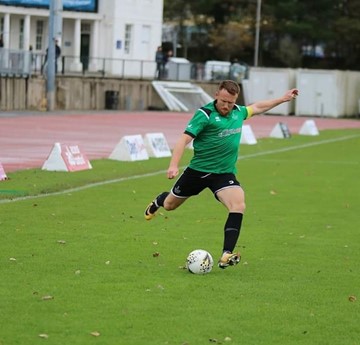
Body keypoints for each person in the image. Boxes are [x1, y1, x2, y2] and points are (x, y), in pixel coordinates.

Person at [144, 80, 299, 269]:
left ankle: (226, 254)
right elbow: (183, 139)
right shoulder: (205, 114)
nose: (226, 106)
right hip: (197, 172)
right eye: (223, 101)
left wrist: (283, 99)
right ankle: (159, 200)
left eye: (231, 102)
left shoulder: (238, 112)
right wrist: (173, 165)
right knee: (170, 205)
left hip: (224, 174)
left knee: (238, 204)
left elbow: (258, 106)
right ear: (217, 94)